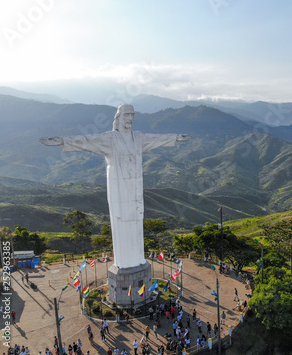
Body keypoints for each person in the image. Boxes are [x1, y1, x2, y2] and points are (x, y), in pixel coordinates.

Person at [39, 104, 191, 269]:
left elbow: (156, 139)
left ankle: (138, 258)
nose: (130, 119)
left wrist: (175, 137)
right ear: (118, 117)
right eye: (126, 115)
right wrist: (63, 141)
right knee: (121, 222)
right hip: (119, 189)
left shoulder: (138, 138)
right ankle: (124, 262)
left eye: (132, 115)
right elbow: (87, 141)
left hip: (135, 189)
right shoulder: (110, 139)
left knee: (136, 221)